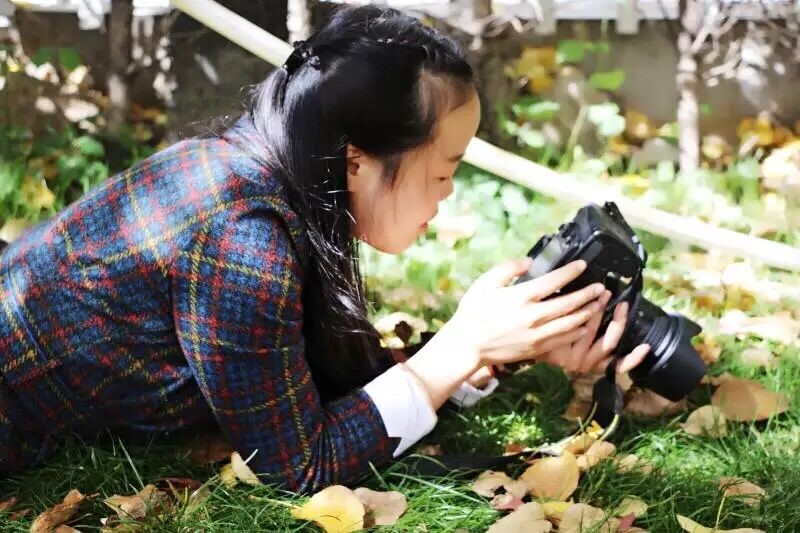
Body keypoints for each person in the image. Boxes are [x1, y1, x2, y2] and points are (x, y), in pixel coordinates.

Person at [0, 5, 649, 492]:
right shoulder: (240, 240)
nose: (448, 195)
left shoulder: (270, 183)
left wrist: (499, 351)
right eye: (443, 171)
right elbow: (296, 465)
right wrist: (461, 347)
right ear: (357, 162)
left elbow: (328, 390)